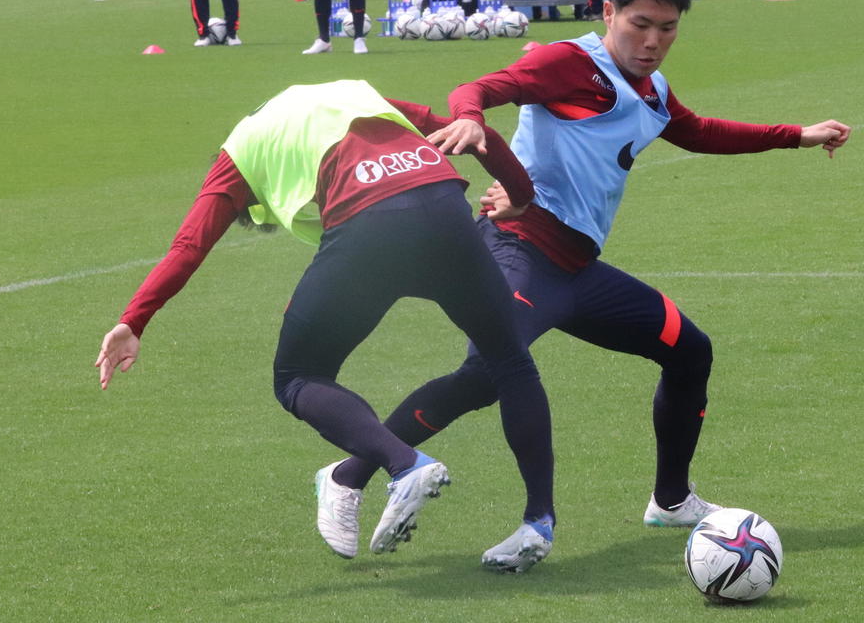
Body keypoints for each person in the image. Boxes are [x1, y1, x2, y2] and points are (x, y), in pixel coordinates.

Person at [321, 0, 850, 573]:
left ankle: (672, 499)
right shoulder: (571, 64)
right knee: (489, 376)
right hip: (516, 250)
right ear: (609, 11)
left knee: (689, 350)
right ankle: (349, 475)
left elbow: (699, 131)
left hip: (576, 272)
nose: (653, 41)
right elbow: (481, 88)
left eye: (668, 27)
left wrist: (797, 135)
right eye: (640, 25)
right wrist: (467, 119)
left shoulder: (652, 91)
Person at [93, 80, 556, 571]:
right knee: (510, 362)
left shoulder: (238, 156)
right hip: (443, 205)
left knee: (296, 376)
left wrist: (133, 320)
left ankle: (406, 465)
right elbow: (479, 137)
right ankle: (539, 522)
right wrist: (521, 196)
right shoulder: (351, 94)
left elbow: (188, 247)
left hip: (370, 229)